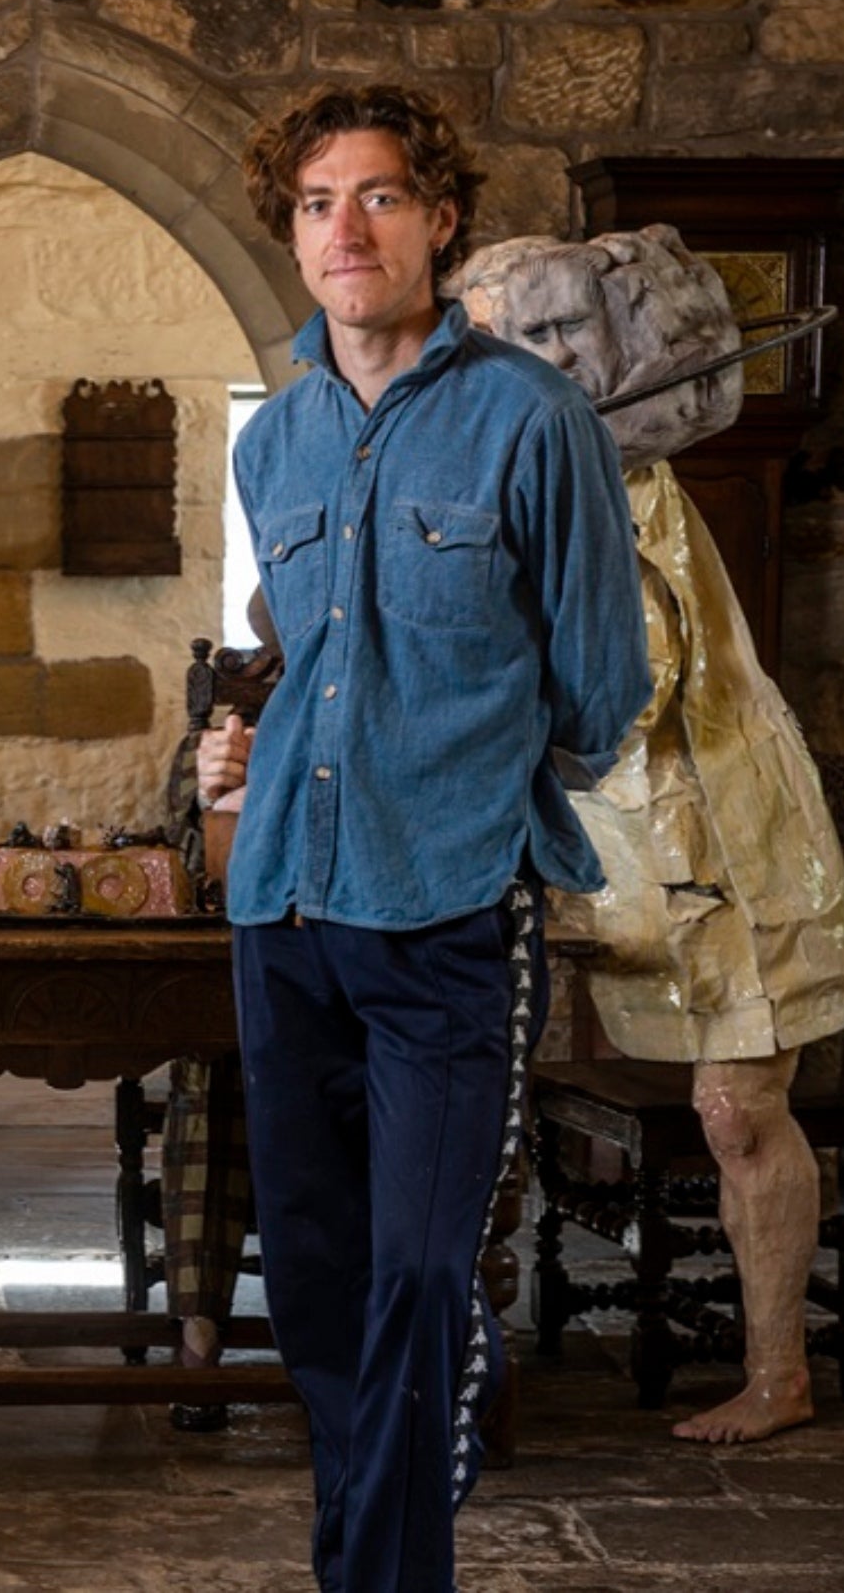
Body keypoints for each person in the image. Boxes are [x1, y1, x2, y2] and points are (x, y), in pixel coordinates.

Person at [209, 83, 650, 1593]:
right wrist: (256, 752)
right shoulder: (274, 445)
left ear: (440, 220)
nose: (347, 229)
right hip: (283, 912)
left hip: (453, 912)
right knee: (319, 1286)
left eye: (380, 196)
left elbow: (602, 688)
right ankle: (371, 1562)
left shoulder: (532, 421)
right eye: (318, 202)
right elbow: (306, 656)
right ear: (293, 230)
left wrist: (460, 779)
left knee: (416, 1274)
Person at [458, 227, 844, 1445]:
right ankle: (476, 1352)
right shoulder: (545, 476)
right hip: (609, 843)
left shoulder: (623, 489)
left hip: (721, 837)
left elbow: (621, 687)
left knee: (740, 1107)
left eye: (524, 337)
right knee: (478, 1072)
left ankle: (778, 1371)